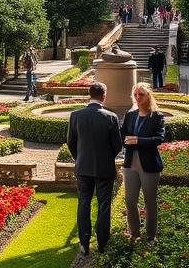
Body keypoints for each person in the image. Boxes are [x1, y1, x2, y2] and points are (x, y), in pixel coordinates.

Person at [67, 82, 123, 257]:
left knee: (84, 203)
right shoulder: (111, 117)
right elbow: (117, 146)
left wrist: (80, 159)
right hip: (104, 168)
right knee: (104, 205)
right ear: (104, 95)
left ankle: (84, 243)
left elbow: (71, 142)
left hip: (83, 167)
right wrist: (106, 158)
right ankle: (102, 243)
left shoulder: (75, 115)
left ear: (88, 94)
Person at [121, 83, 165, 244]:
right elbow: (122, 134)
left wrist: (138, 140)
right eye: (136, 94)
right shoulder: (130, 115)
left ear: (148, 96)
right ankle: (134, 232)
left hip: (149, 165)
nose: (138, 97)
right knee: (130, 200)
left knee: (150, 202)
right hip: (130, 163)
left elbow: (159, 139)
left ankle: (151, 236)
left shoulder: (156, 116)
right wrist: (125, 141)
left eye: (141, 94)